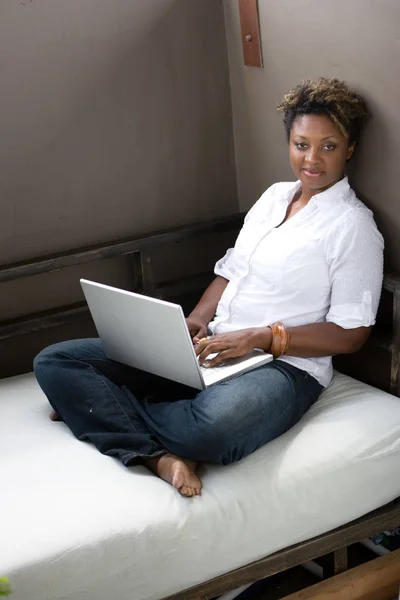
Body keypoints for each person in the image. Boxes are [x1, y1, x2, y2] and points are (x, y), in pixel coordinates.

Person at [34, 77, 384, 497]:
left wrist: (263, 337)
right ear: (289, 142)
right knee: (56, 362)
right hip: (212, 348)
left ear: (350, 149)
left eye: (328, 146)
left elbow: (351, 335)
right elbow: (231, 270)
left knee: (211, 432)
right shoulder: (274, 197)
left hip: (284, 368)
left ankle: (105, 410)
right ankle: (155, 454)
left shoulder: (354, 226)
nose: (312, 159)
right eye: (300, 143)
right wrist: (198, 319)